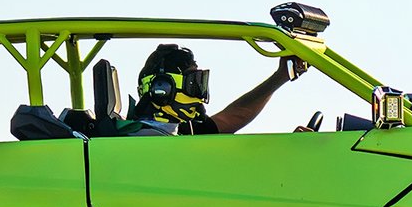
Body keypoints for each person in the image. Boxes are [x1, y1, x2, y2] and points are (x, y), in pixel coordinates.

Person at [128, 44, 307, 135]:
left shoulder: (179, 131)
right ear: (162, 89)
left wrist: (282, 75)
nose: (199, 93)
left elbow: (235, 116)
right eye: (193, 82)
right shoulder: (145, 139)